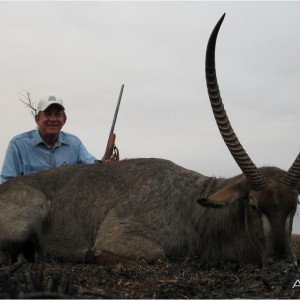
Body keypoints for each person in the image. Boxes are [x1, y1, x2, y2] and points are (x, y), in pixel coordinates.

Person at [1, 95, 99, 183]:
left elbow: (95, 168)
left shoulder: (75, 144)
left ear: (64, 119)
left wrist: (107, 163)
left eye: (57, 114)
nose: (53, 119)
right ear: (37, 119)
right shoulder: (18, 145)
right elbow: (6, 185)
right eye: (47, 114)